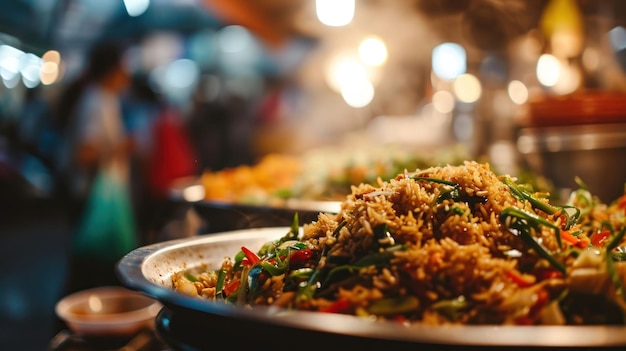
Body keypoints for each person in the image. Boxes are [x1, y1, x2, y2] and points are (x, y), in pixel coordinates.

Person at [55, 40, 138, 293]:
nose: (127, 73)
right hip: (91, 196)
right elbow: (85, 154)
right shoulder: (97, 101)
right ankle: (73, 323)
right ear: (113, 69)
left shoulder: (103, 98)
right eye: (124, 66)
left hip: (95, 195)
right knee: (87, 270)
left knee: (91, 269)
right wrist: (122, 148)